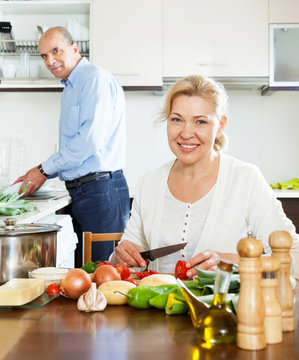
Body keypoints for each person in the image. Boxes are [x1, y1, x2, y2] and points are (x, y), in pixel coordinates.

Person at [112, 74, 299, 279]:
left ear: (220, 126)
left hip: (221, 308)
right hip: (154, 309)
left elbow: (293, 256)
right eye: (177, 120)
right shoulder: (149, 182)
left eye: (200, 122)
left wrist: (234, 262)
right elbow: (127, 263)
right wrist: (120, 257)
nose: (186, 133)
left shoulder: (246, 179)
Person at [15, 27, 130, 267]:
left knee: (103, 272)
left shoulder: (93, 78)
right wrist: (39, 173)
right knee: (84, 272)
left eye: (56, 51)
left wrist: (42, 171)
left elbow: (88, 141)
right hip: (83, 191)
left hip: (101, 191)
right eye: (44, 55)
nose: (50, 60)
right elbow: (76, 146)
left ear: (75, 48)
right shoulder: (70, 88)